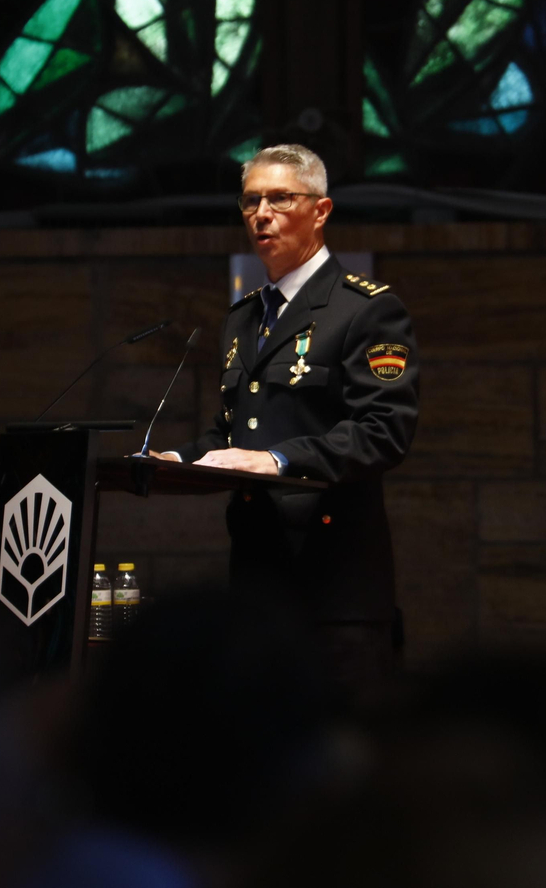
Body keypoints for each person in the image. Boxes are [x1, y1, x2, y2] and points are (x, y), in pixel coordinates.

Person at [156, 144, 419, 684]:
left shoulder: (365, 309)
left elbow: (384, 432)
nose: (261, 214)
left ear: (320, 211)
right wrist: (176, 460)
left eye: (279, 198)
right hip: (256, 584)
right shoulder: (244, 317)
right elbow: (233, 431)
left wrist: (276, 460)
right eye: (251, 201)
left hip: (334, 587)